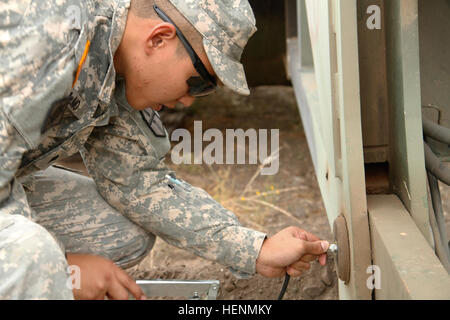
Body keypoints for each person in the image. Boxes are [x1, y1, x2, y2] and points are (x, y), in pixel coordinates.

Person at [0, 0, 329, 299]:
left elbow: (136, 181)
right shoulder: (50, 38)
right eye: (198, 81)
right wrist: (64, 269)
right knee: (34, 256)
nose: (188, 100)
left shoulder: (115, 63)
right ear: (158, 39)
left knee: (119, 232)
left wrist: (256, 249)